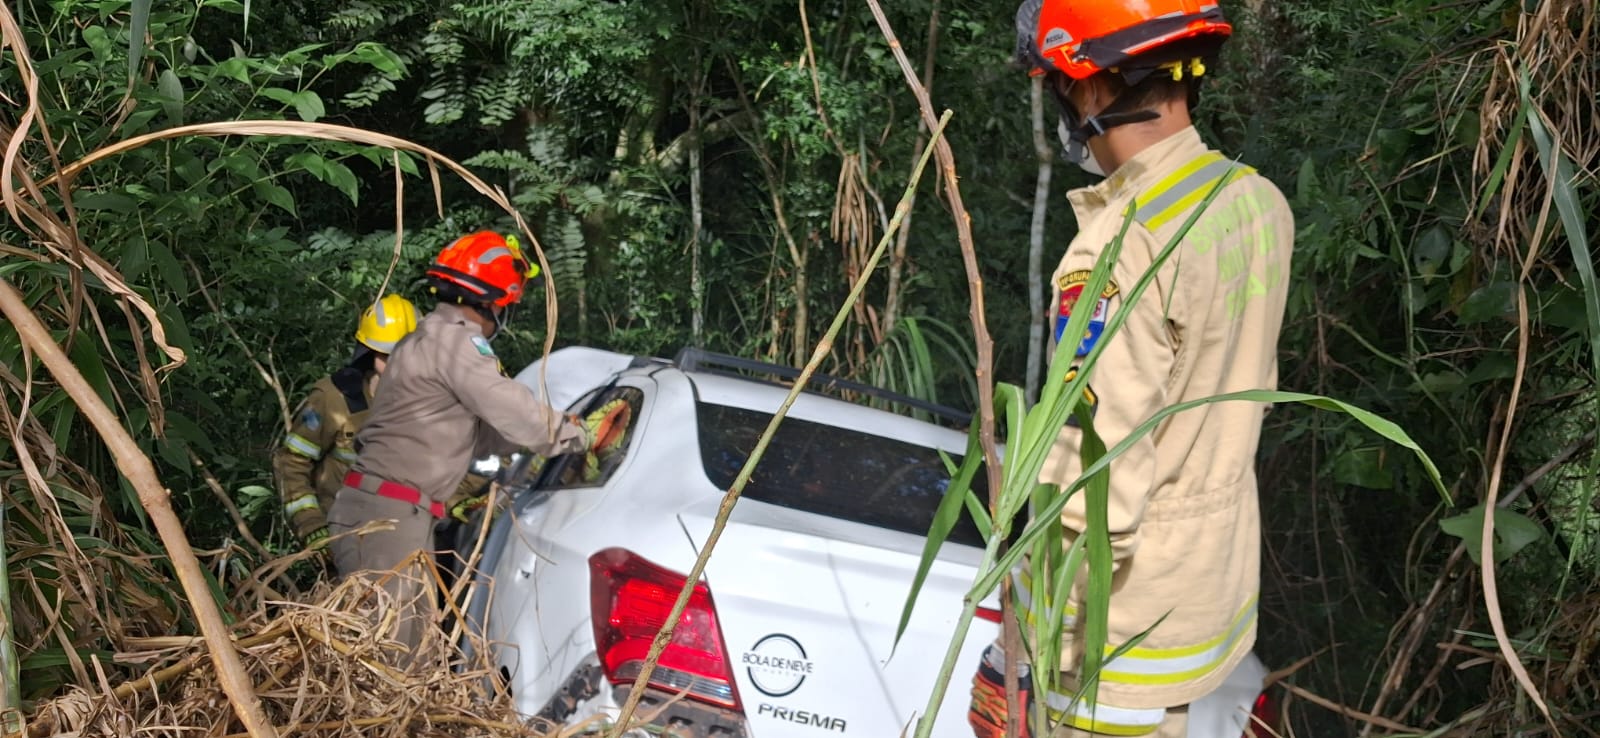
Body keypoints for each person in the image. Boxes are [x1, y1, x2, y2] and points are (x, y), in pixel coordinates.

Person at [969, 2, 1295, 736]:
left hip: (1116, 636)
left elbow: (1094, 480)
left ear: (1086, 89)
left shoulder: (1121, 247)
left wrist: (1018, 646)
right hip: (1209, 599)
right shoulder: (1255, 202)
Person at [326, 230, 627, 654]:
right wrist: (577, 434)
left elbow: (474, 433)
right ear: (494, 303)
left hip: (382, 511)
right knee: (394, 658)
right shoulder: (457, 344)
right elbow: (510, 408)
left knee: (405, 651)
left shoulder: (422, 341)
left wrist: (541, 437)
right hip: (391, 516)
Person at [274, 294, 419, 551]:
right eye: (388, 356)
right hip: (346, 541)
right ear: (370, 352)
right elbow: (292, 462)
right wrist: (310, 523)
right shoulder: (334, 399)